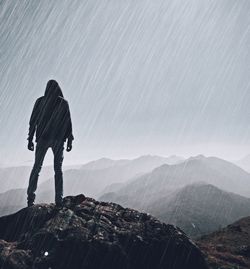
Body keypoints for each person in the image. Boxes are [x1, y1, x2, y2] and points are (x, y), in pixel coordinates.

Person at [27, 80, 74, 207]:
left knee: (37, 168)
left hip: (43, 138)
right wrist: (69, 139)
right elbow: (68, 122)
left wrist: (30, 139)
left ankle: (30, 199)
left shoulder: (40, 102)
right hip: (58, 139)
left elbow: (33, 121)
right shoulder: (62, 103)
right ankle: (59, 199)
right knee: (57, 170)